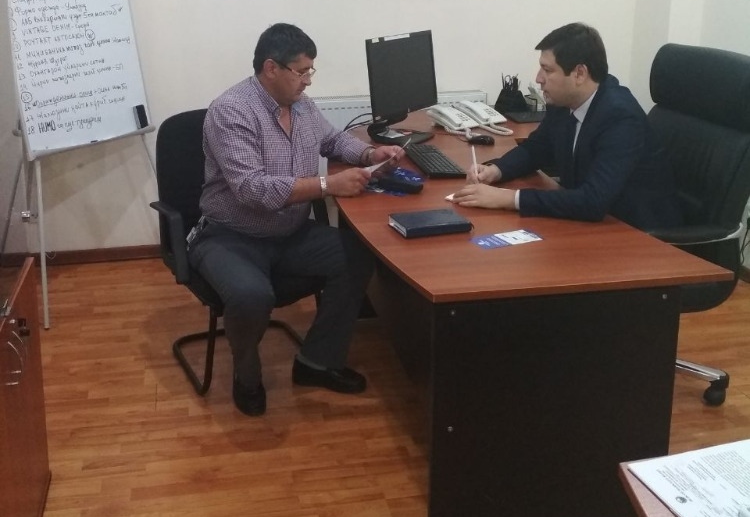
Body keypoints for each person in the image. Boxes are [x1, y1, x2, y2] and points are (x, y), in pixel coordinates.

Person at [188, 22, 402, 417]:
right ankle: (246, 374)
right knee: (251, 295)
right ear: (271, 68)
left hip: (290, 233)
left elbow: (333, 140)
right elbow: (252, 190)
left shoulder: (302, 105)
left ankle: (317, 361)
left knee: (358, 255)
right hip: (230, 236)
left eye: (310, 71)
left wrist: (370, 155)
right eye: (301, 71)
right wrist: (328, 185)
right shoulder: (231, 111)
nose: (308, 80)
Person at [452, 22, 683, 228]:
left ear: (579, 73)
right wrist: (496, 171)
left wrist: (508, 199)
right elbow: (536, 149)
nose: (539, 78)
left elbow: (593, 201)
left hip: (638, 236)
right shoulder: (564, 102)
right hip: (592, 224)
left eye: (548, 70)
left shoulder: (620, 117)